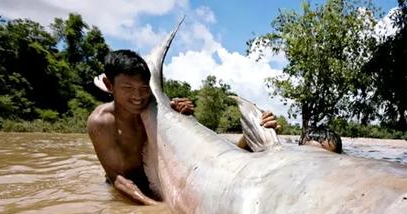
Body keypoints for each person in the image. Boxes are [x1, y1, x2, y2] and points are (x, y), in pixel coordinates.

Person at [88, 50, 279, 205]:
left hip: (160, 185)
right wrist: (152, 209)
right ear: (109, 85)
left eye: (144, 89)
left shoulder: (160, 113)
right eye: (128, 88)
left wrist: (253, 133)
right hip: (128, 191)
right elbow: (117, 178)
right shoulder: (101, 123)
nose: (138, 96)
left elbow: (212, 161)